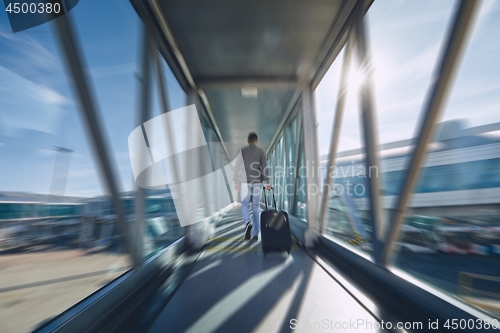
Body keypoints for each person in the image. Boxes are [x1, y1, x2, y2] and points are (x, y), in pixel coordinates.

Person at [233, 132, 271, 241]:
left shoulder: (242, 151)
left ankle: (247, 223)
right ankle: (255, 234)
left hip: (245, 181)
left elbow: (237, 167)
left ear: (247, 141)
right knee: (255, 206)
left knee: (245, 204)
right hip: (257, 181)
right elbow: (264, 167)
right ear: (256, 141)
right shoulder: (261, 151)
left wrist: (236, 181)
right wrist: (267, 182)